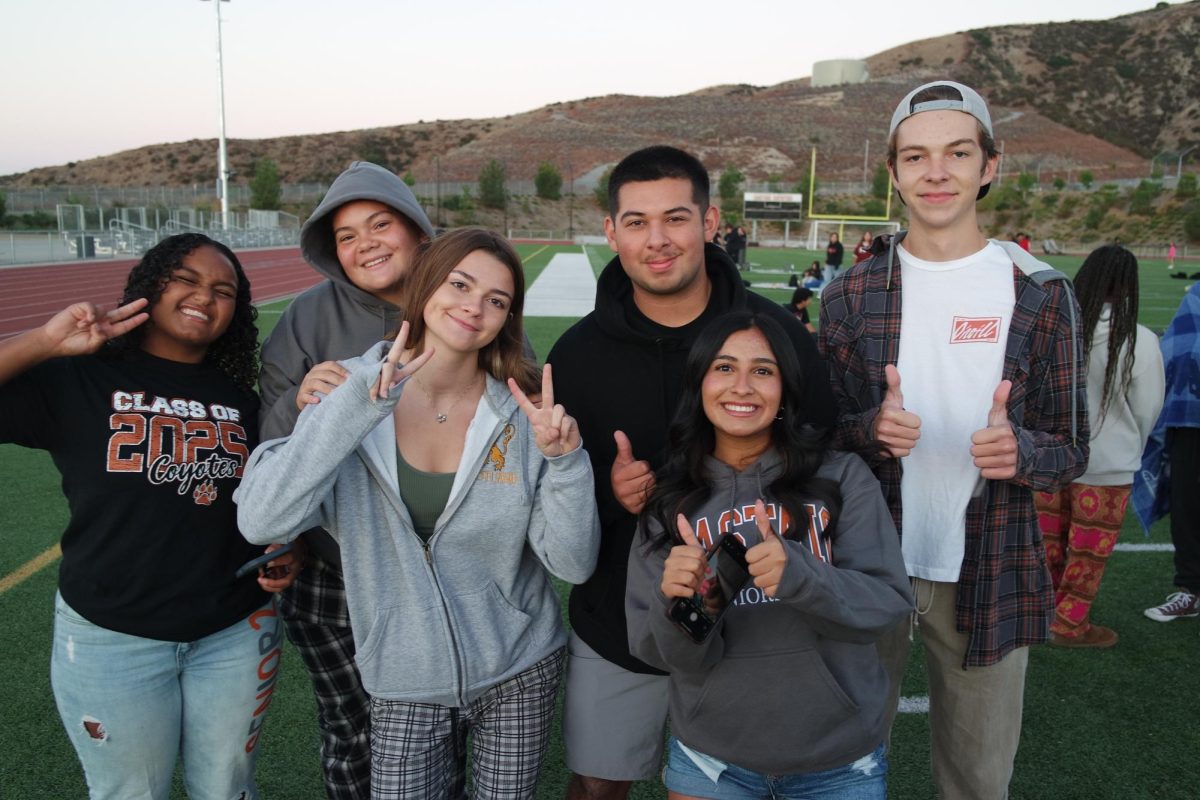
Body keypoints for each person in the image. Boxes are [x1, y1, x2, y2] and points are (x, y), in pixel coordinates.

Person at [237, 228, 601, 799]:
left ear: (507, 319)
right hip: (402, 677)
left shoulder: (522, 410)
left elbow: (572, 564)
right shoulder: (346, 391)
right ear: (428, 284)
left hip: (520, 666)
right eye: (460, 283)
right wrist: (356, 407)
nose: (474, 306)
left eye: (497, 300)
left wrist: (566, 463)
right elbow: (262, 520)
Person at [818, 80, 1088, 800]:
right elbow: (814, 441)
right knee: (835, 766)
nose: (936, 172)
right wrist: (868, 431)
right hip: (866, 562)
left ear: (990, 165)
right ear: (895, 171)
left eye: (957, 153)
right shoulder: (849, 293)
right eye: (916, 156)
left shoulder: (1041, 292)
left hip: (990, 566)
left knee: (976, 781)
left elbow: (1071, 449)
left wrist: (1021, 453)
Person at [546, 145, 836, 800]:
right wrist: (609, 493)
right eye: (638, 221)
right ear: (611, 232)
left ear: (709, 224)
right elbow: (552, 500)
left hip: (759, 622)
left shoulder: (778, 335)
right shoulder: (578, 354)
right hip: (622, 621)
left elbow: (820, 459)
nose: (658, 240)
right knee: (597, 785)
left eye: (676, 218)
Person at [0, 233, 299, 800]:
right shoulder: (80, 377)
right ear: (150, 285)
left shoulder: (244, 398)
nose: (204, 297)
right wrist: (43, 341)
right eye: (185, 279)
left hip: (234, 629)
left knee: (228, 788)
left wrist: (291, 546)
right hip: (112, 636)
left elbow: (273, 494)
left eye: (223, 290)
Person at [625, 310, 913, 800]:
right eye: (723, 367)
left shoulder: (842, 478)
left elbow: (885, 606)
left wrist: (802, 575)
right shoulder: (668, 501)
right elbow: (660, 654)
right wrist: (681, 603)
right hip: (712, 761)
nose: (742, 386)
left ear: (785, 390)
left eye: (762, 370)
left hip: (839, 761)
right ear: (699, 383)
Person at [257, 161, 434, 799]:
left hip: (445, 571)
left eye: (380, 224)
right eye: (347, 236)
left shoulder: (463, 302)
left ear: (415, 229)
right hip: (337, 574)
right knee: (355, 732)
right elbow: (266, 445)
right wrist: (301, 404)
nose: (366, 245)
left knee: (441, 731)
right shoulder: (305, 319)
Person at [1034, 245, 1164, 647]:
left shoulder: (1058, 331)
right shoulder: (1138, 340)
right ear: (1127, 287)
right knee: (1087, 555)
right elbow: (1147, 410)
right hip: (1107, 466)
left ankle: (1041, 615)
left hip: (1051, 459)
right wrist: (1131, 447)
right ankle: (1069, 624)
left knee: (1048, 546)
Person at [1135, 281, 1200, 622]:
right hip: (1189, 420)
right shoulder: (1197, 295)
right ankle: (1190, 590)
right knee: (1187, 506)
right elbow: (1178, 349)